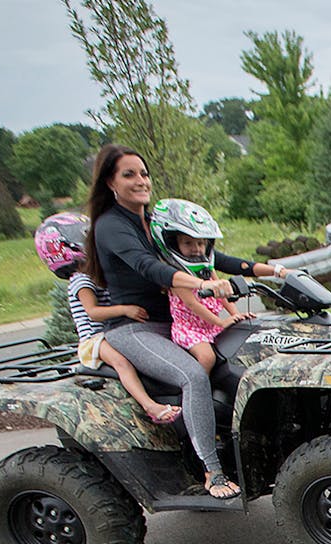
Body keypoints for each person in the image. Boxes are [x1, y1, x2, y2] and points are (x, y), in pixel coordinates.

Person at [83, 144, 287, 499]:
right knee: (192, 374)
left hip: (179, 322)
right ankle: (213, 470)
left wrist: (275, 270)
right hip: (135, 330)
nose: (140, 181)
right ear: (110, 183)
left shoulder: (155, 223)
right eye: (129, 175)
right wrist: (204, 286)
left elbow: (213, 256)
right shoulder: (110, 227)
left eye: (143, 173)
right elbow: (150, 268)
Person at [33, 212, 180, 425]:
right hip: (94, 340)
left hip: (110, 334)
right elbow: (93, 312)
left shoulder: (98, 275)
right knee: (122, 363)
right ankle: (150, 406)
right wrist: (125, 310)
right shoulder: (81, 280)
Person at [151, 199, 252, 374]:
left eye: (200, 243)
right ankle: (197, 387)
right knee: (207, 357)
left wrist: (236, 315)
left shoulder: (206, 269)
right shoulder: (177, 278)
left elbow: (221, 293)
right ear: (175, 244)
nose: (196, 249)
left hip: (210, 326)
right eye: (187, 243)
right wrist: (221, 322)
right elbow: (193, 305)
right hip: (190, 329)